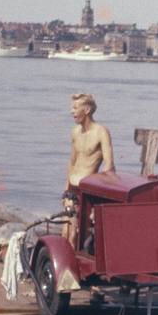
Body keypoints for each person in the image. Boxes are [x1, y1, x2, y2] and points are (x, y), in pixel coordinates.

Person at [64, 92, 114, 245]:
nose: (71, 111)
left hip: (86, 191)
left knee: (75, 236)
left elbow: (109, 165)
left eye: (75, 108)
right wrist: (66, 191)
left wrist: (98, 191)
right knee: (66, 233)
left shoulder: (101, 132)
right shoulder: (75, 132)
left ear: (87, 110)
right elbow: (72, 162)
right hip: (72, 190)